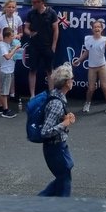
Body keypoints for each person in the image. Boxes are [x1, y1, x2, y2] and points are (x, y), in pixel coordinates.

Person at [38, 63, 77, 197]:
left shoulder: (57, 96)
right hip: (55, 149)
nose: (73, 80)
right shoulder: (56, 103)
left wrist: (64, 118)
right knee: (64, 181)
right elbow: (45, 132)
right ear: (66, 82)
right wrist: (64, 123)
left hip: (59, 147)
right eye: (71, 78)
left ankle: (38, 203)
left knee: (63, 179)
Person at [72, 18, 106, 114]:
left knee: (104, 86)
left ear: (102, 29)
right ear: (92, 29)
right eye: (95, 27)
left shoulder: (105, 40)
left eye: (98, 27)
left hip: (102, 66)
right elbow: (86, 52)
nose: (97, 29)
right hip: (92, 67)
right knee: (91, 88)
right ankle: (87, 103)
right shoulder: (88, 39)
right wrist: (79, 60)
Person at [23, 0, 59, 98]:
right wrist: (30, 33)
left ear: (41, 2)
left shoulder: (51, 13)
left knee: (49, 70)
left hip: (47, 46)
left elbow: (56, 30)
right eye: (32, 2)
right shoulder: (31, 13)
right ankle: (32, 95)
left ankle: (51, 93)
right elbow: (26, 28)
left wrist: (54, 45)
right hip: (34, 46)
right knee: (32, 70)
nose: (32, 4)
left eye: (34, 2)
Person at [0, 26, 20, 117]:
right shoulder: (2, 45)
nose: (13, 37)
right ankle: (5, 110)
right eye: (11, 36)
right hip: (6, 71)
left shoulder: (8, 44)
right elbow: (7, 57)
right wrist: (15, 49)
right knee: (5, 92)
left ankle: (0, 108)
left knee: (4, 90)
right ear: (6, 37)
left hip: (9, 70)